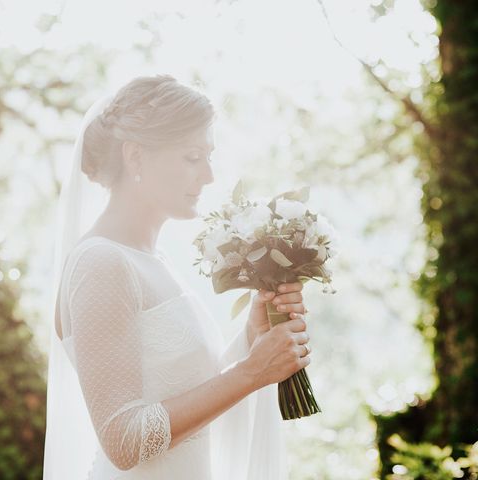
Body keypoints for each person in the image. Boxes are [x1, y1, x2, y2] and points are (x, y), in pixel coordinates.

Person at [43, 74, 311, 480]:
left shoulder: (153, 259)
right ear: (135, 158)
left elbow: (185, 397)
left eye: (208, 156)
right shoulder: (101, 263)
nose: (208, 176)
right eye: (192, 157)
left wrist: (251, 340)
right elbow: (124, 440)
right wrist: (253, 371)